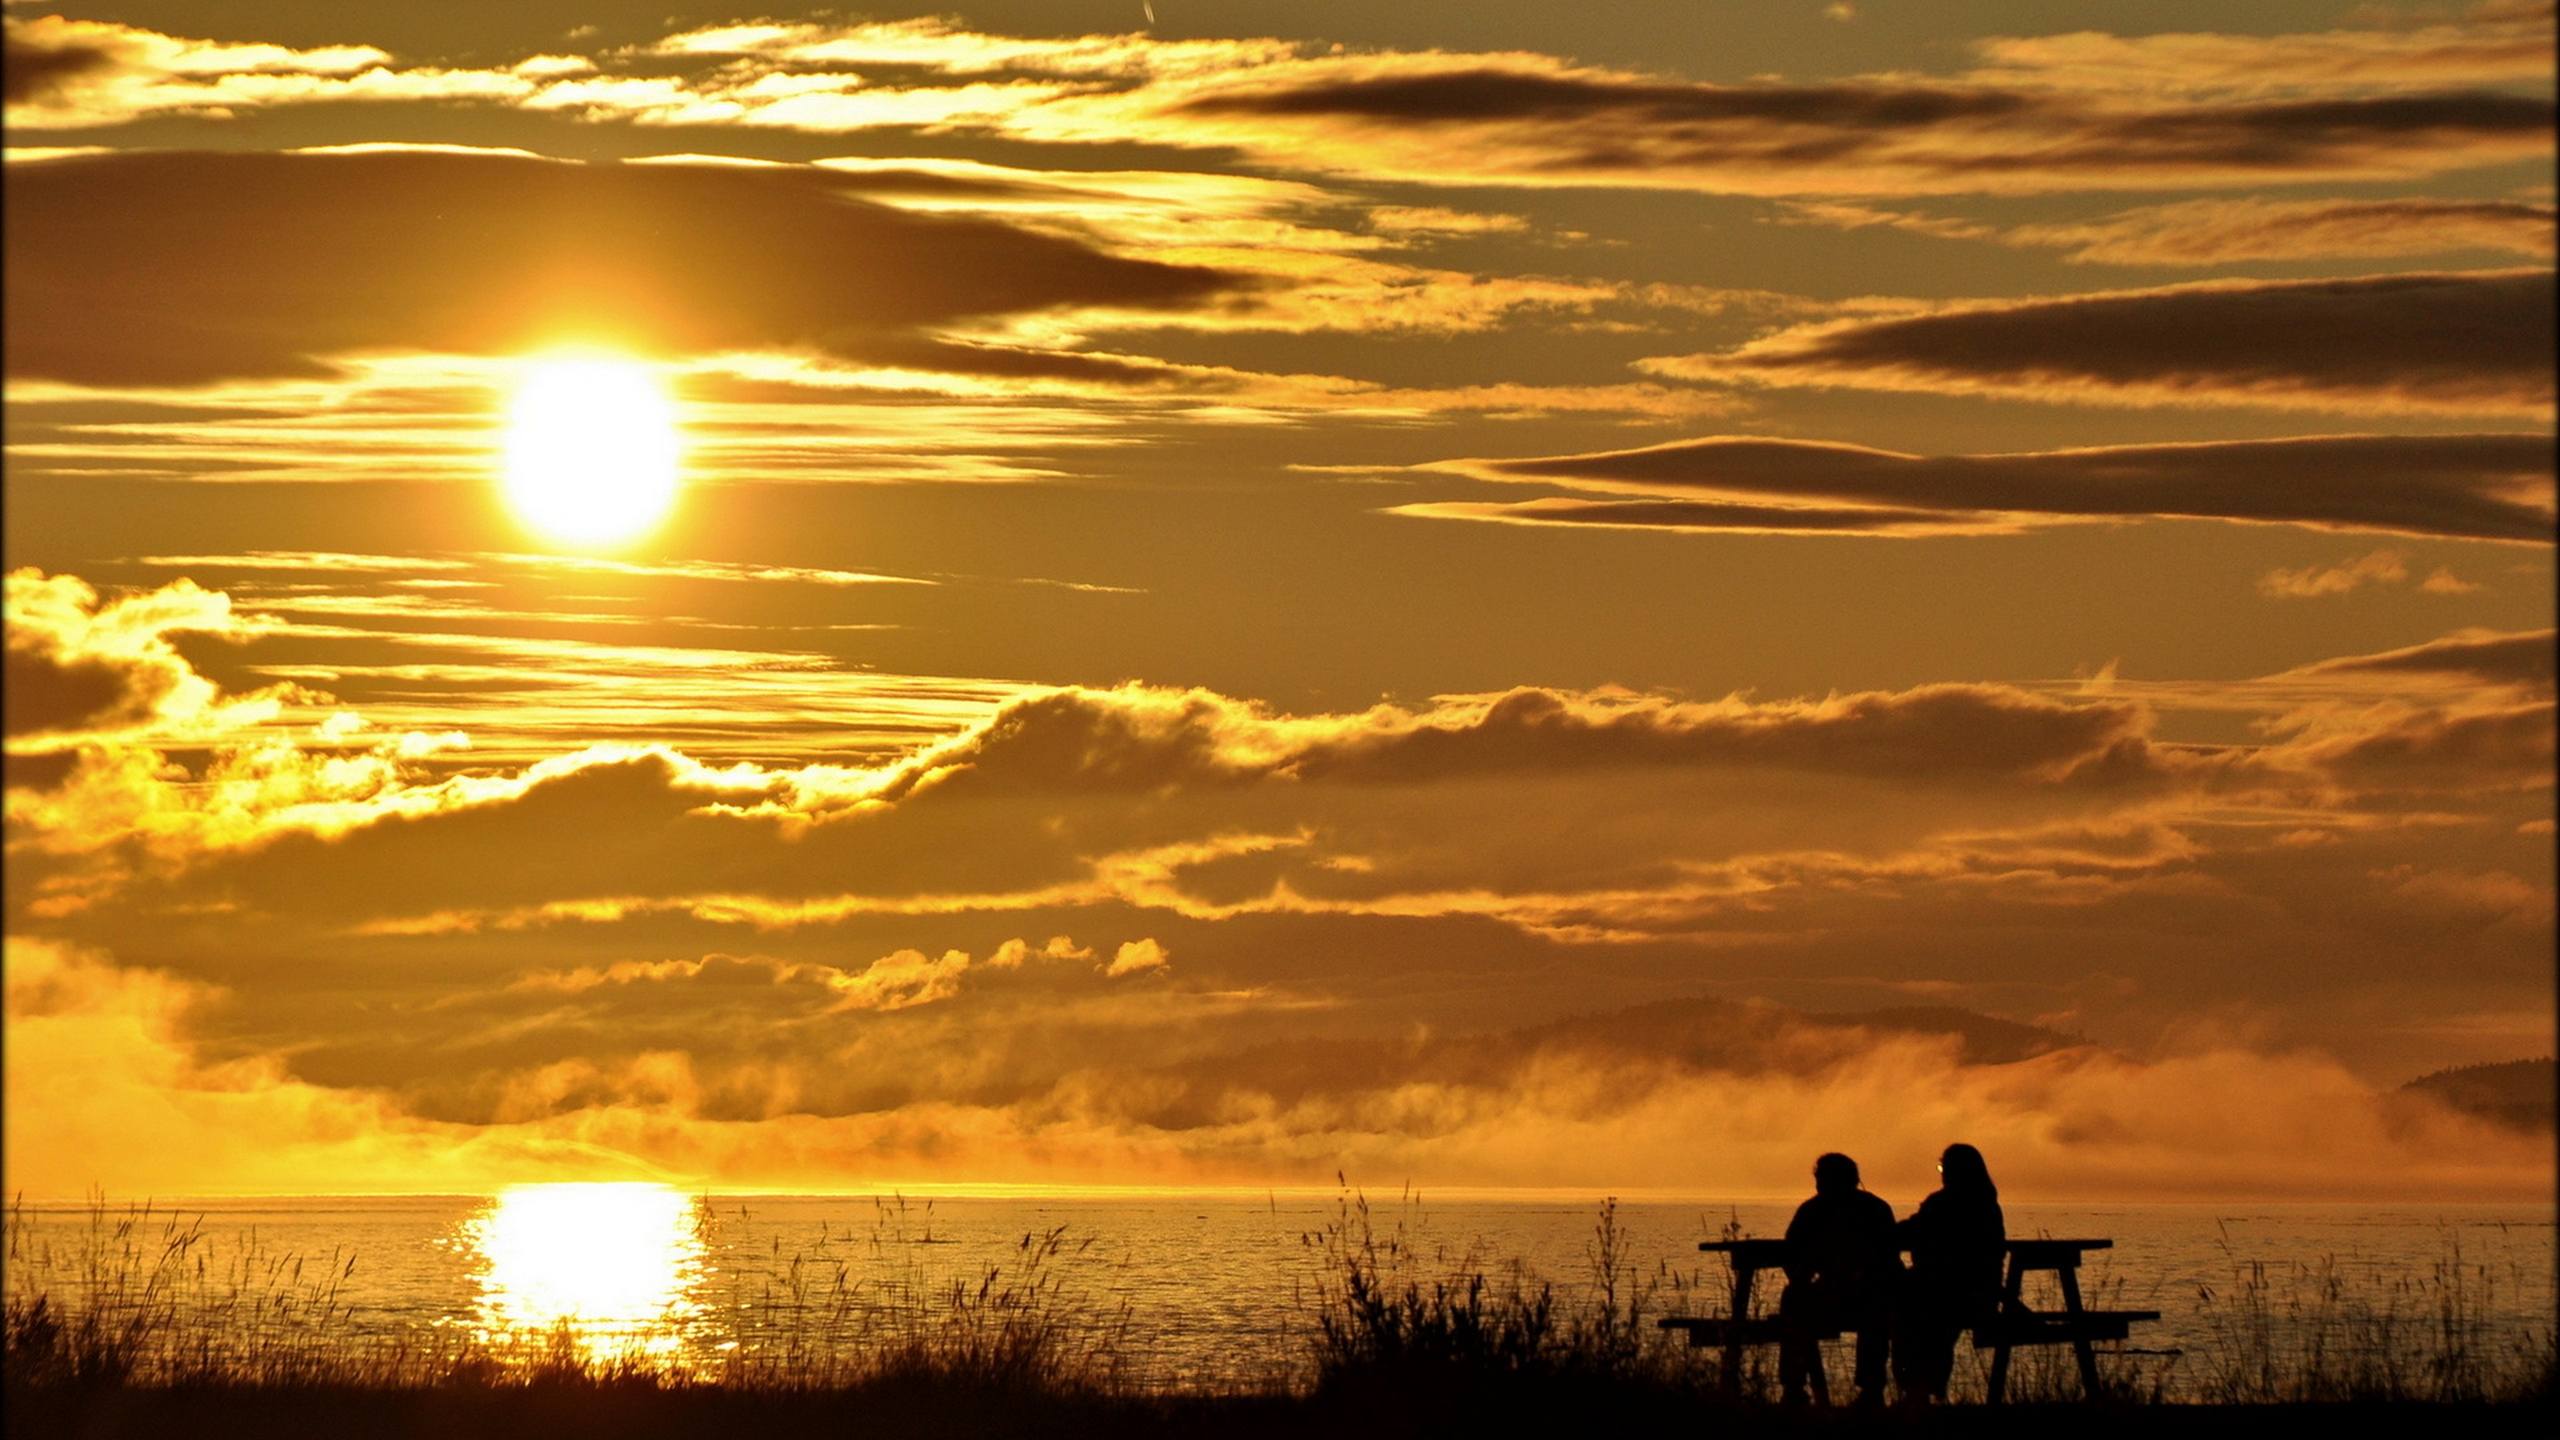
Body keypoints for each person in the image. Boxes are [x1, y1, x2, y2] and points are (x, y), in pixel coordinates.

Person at [1777, 1152, 1900, 1406]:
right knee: (1797, 1299)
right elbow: (1890, 1256)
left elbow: (1791, 1253)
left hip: (1853, 1294)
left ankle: (1795, 1388)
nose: (1819, 1184)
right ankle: (1869, 1390)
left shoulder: (1814, 1210)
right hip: (1858, 1295)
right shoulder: (1875, 1208)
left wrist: (1805, 1279)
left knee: (1795, 1301)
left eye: (1822, 1178)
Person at [1894, 1142, 2006, 1404]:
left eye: (1942, 1166)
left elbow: (1910, 1231)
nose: (1941, 1172)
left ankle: (1915, 1389)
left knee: (1908, 1310)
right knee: (1932, 1321)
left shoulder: (1943, 1203)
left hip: (1948, 1293)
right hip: (1981, 1295)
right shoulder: (1988, 1205)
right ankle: (1929, 1388)